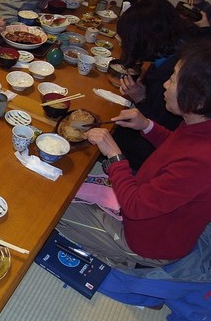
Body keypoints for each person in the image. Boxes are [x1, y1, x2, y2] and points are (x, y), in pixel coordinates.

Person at [58, 38, 211, 269]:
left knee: (52, 207)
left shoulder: (203, 160)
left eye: (173, 80)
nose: (165, 85)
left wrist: (115, 157)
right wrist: (147, 125)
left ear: (197, 99)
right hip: (147, 206)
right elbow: (177, 150)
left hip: (145, 242)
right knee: (67, 182)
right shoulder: (200, 124)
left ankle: (131, 265)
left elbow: (136, 207)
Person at [113, 0, 198, 170]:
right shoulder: (179, 42)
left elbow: (166, 125)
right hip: (153, 124)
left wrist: (141, 99)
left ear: (146, 39)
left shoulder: (179, 72)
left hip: (151, 154)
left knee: (111, 132)